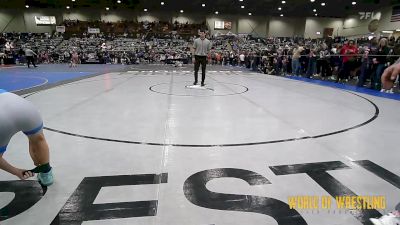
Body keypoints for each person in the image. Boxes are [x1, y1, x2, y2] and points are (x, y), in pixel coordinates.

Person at [0, 89, 54, 186]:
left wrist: (16, 171)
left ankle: (42, 169)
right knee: (38, 139)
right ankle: (46, 174)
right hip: (25, 109)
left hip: (2, 121)